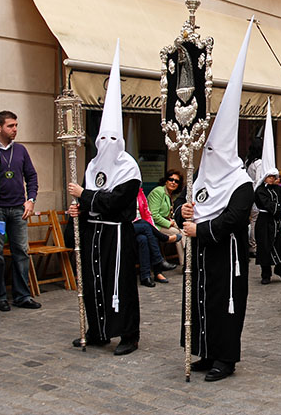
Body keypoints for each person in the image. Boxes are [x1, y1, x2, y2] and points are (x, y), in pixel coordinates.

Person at [176, 21, 255, 382]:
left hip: (227, 254)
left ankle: (225, 358)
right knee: (200, 301)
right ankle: (204, 351)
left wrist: (198, 228)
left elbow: (233, 220)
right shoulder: (203, 177)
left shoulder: (241, 183)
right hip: (203, 251)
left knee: (225, 305)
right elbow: (191, 203)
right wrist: (184, 211)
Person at [67, 42, 140, 355]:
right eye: (103, 138)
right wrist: (78, 209)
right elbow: (92, 199)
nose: (107, 143)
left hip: (118, 234)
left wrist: (86, 196)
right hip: (94, 232)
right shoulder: (94, 164)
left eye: (113, 138)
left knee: (119, 285)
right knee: (93, 281)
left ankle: (128, 336)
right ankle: (97, 330)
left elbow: (119, 201)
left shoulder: (129, 167)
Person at [0, 110, 41, 311]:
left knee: (21, 252)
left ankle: (22, 296)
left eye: (16, 125)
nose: (15, 129)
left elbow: (31, 177)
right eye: (10, 126)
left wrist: (30, 200)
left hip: (18, 210)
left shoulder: (21, 150)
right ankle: (0, 297)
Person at [253, 101, 281, 283]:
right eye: (271, 177)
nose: (273, 179)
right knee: (265, 247)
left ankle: (280, 270)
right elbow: (266, 204)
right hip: (265, 220)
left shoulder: (278, 188)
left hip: (277, 222)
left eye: (275, 177)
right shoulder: (260, 190)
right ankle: (265, 274)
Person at [133, 187, 178, 287]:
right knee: (146, 227)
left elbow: (147, 213)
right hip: (125, 226)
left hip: (139, 228)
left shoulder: (140, 193)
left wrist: (153, 227)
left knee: (144, 238)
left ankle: (145, 277)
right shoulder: (123, 192)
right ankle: (159, 262)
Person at [147, 169, 185, 264]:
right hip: (154, 225)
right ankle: (184, 263)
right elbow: (154, 214)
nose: (173, 182)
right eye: (171, 179)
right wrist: (169, 223)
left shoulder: (171, 195)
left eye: (176, 181)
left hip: (165, 222)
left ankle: (187, 260)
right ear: (166, 180)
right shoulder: (158, 192)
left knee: (184, 229)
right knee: (177, 234)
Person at [245, 137, 263, 257]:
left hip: (248, 193)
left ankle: (251, 244)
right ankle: (253, 245)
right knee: (255, 221)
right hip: (256, 195)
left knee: (252, 220)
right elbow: (258, 180)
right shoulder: (259, 163)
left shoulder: (248, 161)